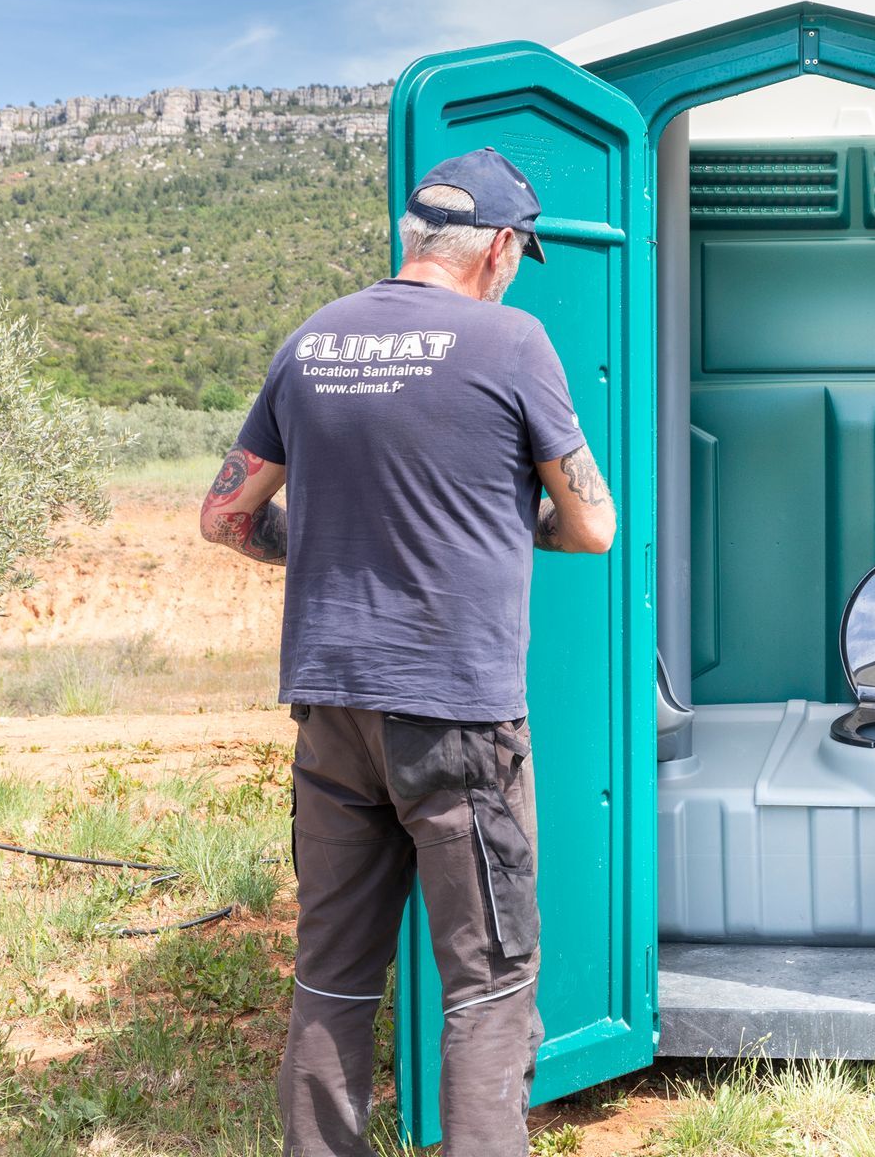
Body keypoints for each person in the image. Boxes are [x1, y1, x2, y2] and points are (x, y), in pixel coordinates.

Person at [199, 146, 615, 1157]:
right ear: (502, 249)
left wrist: (324, 538)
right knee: (488, 980)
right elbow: (592, 522)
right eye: (519, 252)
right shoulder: (512, 342)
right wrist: (505, 521)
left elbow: (224, 517)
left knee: (332, 974)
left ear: (411, 236)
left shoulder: (311, 343)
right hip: (456, 720)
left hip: (333, 714)